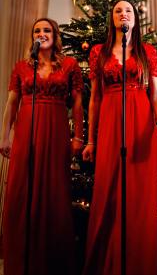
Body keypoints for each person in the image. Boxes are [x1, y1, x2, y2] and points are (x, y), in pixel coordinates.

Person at [82, 0, 157, 275]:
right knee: (110, 189)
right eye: (118, 11)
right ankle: (111, 259)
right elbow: (95, 99)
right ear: (112, 19)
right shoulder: (98, 52)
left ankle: (141, 259)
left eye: (128, 10)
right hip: (111, 122)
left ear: (135, 18)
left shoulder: (147, 52)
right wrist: (91, 140)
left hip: (142, 123)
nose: (123, 14)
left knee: (140, 191)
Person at [0, 18, 84, 275]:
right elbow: (12, 103)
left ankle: (51, 262)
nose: (42, 33)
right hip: (26, 133)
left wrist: (78, 137)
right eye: (37, 30)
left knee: (54, 192)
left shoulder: (69, 65)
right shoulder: (23, 67)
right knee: (21, 193)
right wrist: (5, 136)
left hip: (57, 133)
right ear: (32, 37)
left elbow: (78, 104)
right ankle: (21, 260)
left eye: (46, 30)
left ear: (55, 35)